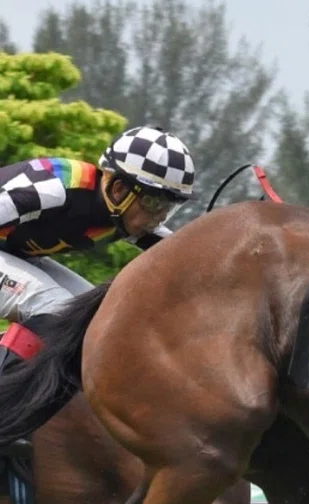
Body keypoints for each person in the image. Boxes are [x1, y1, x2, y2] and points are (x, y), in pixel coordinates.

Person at [0, 126, 195, 366]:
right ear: (119, 189)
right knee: (55, 307)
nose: (159, 218)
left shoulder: (124, 212)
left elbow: (185, 255)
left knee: (96, 316)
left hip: (15, 255)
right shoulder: (53, 191)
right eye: (154, 203)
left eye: (169, 208)